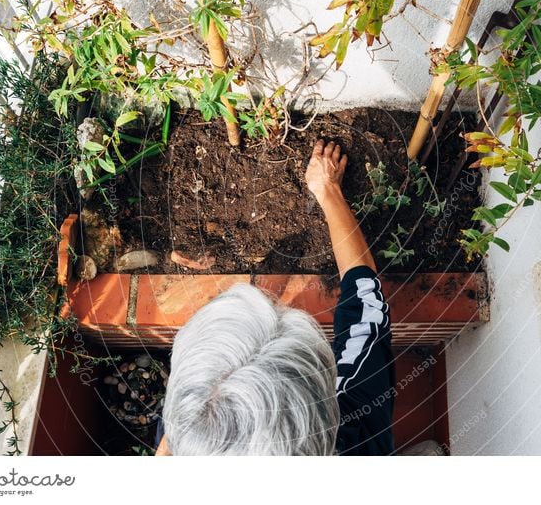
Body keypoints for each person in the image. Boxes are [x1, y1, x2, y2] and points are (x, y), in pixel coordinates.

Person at [156, 140, 395, 455]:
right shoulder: (361, 434)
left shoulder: (186, 434)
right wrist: (328, 192)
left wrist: (183, 430)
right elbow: (364, 304)